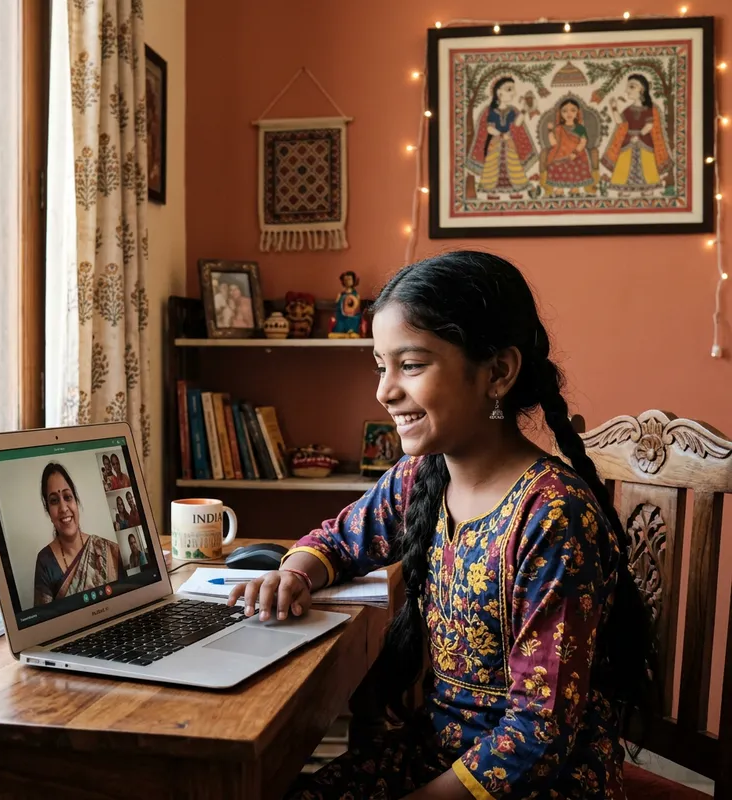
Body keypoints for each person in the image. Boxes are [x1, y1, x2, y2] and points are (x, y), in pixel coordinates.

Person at [230, 252, 652, 799]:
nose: (384, 391)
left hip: (535, 780)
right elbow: (340, 537)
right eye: (380, 365)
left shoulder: (552, 515)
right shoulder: (419, 477)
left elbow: (540, 733)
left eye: (410, 365)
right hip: (439, 751)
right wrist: (296, 573)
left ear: (498, 372)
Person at [34, 463, 124, 606]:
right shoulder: (45, 561)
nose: (63, 508)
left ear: (76, 501)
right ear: (48, 511)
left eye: (67, 497)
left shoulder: (109, 550)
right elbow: (44, 624)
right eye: (54, 501)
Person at [601, 73, 671, 196]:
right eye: (628, 87)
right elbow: (619, 122)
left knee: (646, 163)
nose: (627, 90)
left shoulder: (648, 108)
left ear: (642, 89)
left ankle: (648, 188)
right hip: (628, 141)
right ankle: (624, 188)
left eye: (631, 87)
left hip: (644, 141)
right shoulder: (629, 109)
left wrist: (638, 136)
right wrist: (614, 108)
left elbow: (649, 126)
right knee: (625, 163)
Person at [466, 77, 537, 195]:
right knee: (493, 165)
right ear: (499, 92)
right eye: (509, 89)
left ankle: (516, 191)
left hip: (509, 143)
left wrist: (524, 110)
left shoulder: (513, 110)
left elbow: (517, 124)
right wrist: (501, 134)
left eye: (513, 89)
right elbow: (489, 128)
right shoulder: (491, 111)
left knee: (513, 164)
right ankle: (491, 191)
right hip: (496, 143)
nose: (513, 93)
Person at [543, 98, 595, 195]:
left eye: (573, 110)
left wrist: (575, 153)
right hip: (560, 154)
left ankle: (575, 188)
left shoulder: (579, 128)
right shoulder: (558, 128)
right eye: (565, 111)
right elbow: (553, 143)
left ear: (577, 113)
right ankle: (559, 188)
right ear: (560, 114)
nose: (569, 113)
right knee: (557, 164)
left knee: (576, 166)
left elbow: (583, 141)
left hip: (577, 154)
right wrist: (550, 131)